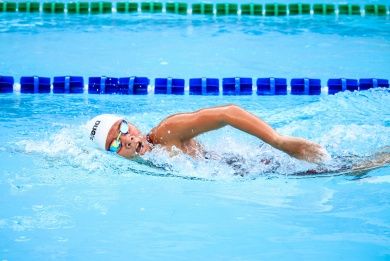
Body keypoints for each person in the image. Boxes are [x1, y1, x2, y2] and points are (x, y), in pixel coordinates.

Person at [86, 104, 328, 164]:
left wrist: (280, 142)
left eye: (124, 129)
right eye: (115, 143)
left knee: (337, 166)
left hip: (253, 166)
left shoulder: (166, 132)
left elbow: (228, 113)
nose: (126, 139)